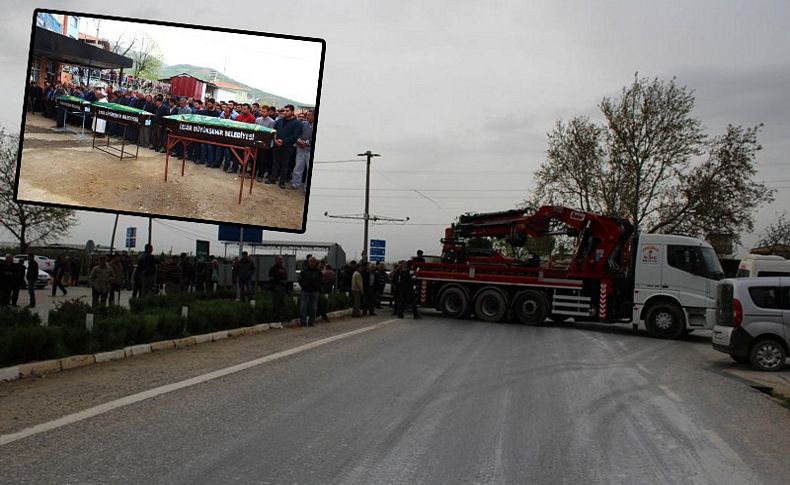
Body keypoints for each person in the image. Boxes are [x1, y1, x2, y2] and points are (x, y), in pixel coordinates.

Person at [269, 105, 302, 189]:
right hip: (277, 145)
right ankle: (272, 178)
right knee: (275, 162)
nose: (285, 112)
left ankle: (282, 182)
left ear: (292, 112)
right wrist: (275, 139)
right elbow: (274, 131)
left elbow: (295, 136)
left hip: (287, 147)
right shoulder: (279, 121)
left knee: (285, 164)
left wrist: (283, 141)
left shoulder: (297, 123)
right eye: (284, 111)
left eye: (287, 111)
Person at [291, 110, 314, 190]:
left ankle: (306, 188)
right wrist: (299, 140)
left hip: (310, 150)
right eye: (307, 115)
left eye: (309, 115)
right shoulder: (303, 123)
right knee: (298, 167)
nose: (307, 117)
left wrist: (305, 142)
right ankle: (295, 184)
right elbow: (298, 133)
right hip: (301, 148)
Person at [298, 256, 322, 326]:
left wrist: (318, 286)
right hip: (306, 291)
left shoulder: (318, 271)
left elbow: (321, 280)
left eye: (313, 262)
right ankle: (303, 322)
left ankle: (311, 322)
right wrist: (303, 286)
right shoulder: (304, 271)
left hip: (315, 291)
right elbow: (300, 279)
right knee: (304, 307)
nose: (312, 263)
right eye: (311, 261)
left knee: (313, 308)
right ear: (308, 262)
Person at [269, 255, 288, 326]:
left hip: (283, 288)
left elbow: (286, 277)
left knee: (282, 304)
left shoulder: (283, 269)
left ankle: (281, 317)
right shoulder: (273, 269)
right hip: (276, 288)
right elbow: (271, 280)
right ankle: (275, 318)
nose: (281, 261)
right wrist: (274, 287)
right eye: (279, 260)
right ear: (276, 260)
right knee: (275, 304)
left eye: (281, 260)